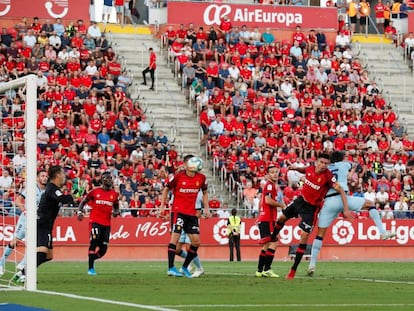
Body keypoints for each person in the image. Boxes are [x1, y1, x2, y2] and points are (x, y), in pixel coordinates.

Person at [307, 151, 397, 277]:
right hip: (344, 198)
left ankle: (312, 265)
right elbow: (357, 166)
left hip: (329, 202)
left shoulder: (326, 169)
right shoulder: (344, 164)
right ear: (342, 158)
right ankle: (382, 232)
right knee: (370, 204)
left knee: (320, 235)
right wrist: (355, 166)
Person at [270, 153, 350, 279]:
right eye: (321, 162)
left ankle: (293, 270)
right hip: (301, 200)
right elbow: (304, 170)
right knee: (281, 218)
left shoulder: (328, 176)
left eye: (326, 163)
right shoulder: (310, 168)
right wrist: (295, 168)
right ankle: (272, 237)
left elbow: (340, 190)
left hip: (311, 209)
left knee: (304, 236)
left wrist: (346, 209)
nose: (323, 165)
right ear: (317, 161)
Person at [159, 156, 210, 278]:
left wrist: (206, 208)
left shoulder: (201, 178)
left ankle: (185, 267)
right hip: (178, 211)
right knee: (174, 239)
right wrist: (162, 205)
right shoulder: (178, 176)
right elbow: (166, 188)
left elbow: (205, 192)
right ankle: (171, 268)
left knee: (196, 242)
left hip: (191, 213)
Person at [0, 170, 48, 282]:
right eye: (42, 176)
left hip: (38, 221)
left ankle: (22, 267)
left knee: (34, 245)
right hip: (25, 220)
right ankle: (2, 262)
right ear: (37, 178)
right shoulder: (31, 188)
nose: (45, 178)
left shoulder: (47, 191)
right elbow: (18, 199)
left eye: (46, 176)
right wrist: (24, 210)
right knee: (15, 242)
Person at [77, 171, 120, 275]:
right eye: (107, 178)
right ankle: (90, 268)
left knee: (103, 249)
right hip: (95, 221)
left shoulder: (114, 194)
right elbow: (83, 202)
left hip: (106, 224)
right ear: (102, 180)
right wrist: (79, 211)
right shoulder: (95, 192)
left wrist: (116, 212)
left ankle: (91, 258)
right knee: (94, 242)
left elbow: (116, 207)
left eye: (110, 178)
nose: (109, 180)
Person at [36, 166, 74, 270]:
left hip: (47, 225)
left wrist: (69, 198)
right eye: (63, 174)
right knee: (42, 252)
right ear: (57, 175)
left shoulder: (53, 188)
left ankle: (24, 270)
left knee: (49, 256)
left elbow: (60, 197)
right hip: (42, 223)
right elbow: (60, 198)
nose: (64, 176)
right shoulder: (52, 188)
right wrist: (70, 198)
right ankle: (24, 273)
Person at [255, 165, 285, 278]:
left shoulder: (269, 186)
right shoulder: (269, 185)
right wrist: (281, 205)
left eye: (276, 172)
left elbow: (262, 201)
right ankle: (267, 269)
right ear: (267, 174)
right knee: (274, 243)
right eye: (272, 172)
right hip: (268, 219)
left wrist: (259, 214)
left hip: (265, 218)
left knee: (267, 245)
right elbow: (267, 200)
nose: (275, 174)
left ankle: (259, 270)